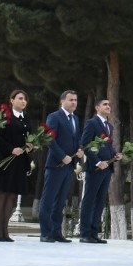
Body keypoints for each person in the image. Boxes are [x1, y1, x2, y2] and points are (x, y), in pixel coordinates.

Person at [39, 90, 85, 243]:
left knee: (60, 201)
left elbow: (75, 138)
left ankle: (56, 232)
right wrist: (62, 156)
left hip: (69, 165)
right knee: (48, 199)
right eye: (71, 100)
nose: (74, 103)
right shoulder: (54, 117)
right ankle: (45, 233)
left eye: (76, 100)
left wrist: (78, 149)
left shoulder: (75, 119)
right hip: (56, 165)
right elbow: (50, 140)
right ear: (62, 101)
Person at [0, 89, 32, 242]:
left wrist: (29, 146)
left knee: (12, 195)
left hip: (19, 162)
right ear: (12, 100)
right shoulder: (5, 116)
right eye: (20, 98)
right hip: (4, 160)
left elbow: (29, 138)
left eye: (25, 99)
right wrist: (11, 149)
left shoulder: (26, 118)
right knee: (2, 193)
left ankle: (5, 230)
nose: (23, 101)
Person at [78, 97, 120, 244]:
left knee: (100, 201)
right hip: (95, 168)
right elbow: (85, 144)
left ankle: (94, 233)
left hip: (107, 169)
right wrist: (97, 162)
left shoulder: (109, 126)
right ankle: (84, 233)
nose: (108, 106)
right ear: (97, 108)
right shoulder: (92, 123)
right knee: (89, 200)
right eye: (105, 104)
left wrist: (115, 154)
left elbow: (107, 146)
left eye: (109, 104)